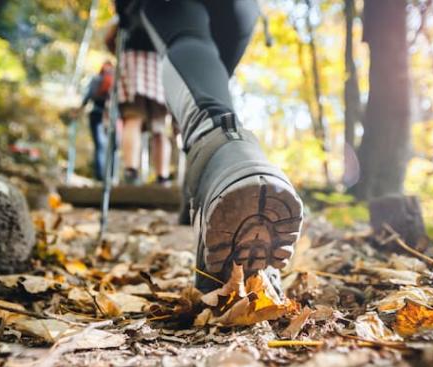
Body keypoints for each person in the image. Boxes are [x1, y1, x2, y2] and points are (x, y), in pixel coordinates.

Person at [116, 0, 303, 295]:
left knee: (189, 44)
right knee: (206, 79)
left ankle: (221, 154)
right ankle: (210, 182)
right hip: (239, 11)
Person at [106, 17, 172, 185]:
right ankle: (162, 177)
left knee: (133, 119)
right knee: (159, 127)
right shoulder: (166, 10)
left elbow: (110, 38)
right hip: (159, 66)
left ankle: (131, 171)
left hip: (131, 62)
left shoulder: (130, 9)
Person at [81, 61, 114, 181]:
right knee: (112, 147)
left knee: (99, 146)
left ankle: (100, 176)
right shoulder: (116, 80)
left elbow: (88, 96)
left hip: (96, 113)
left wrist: (81, 107)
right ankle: (111, 175)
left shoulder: (96, 79)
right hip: (112, 116)